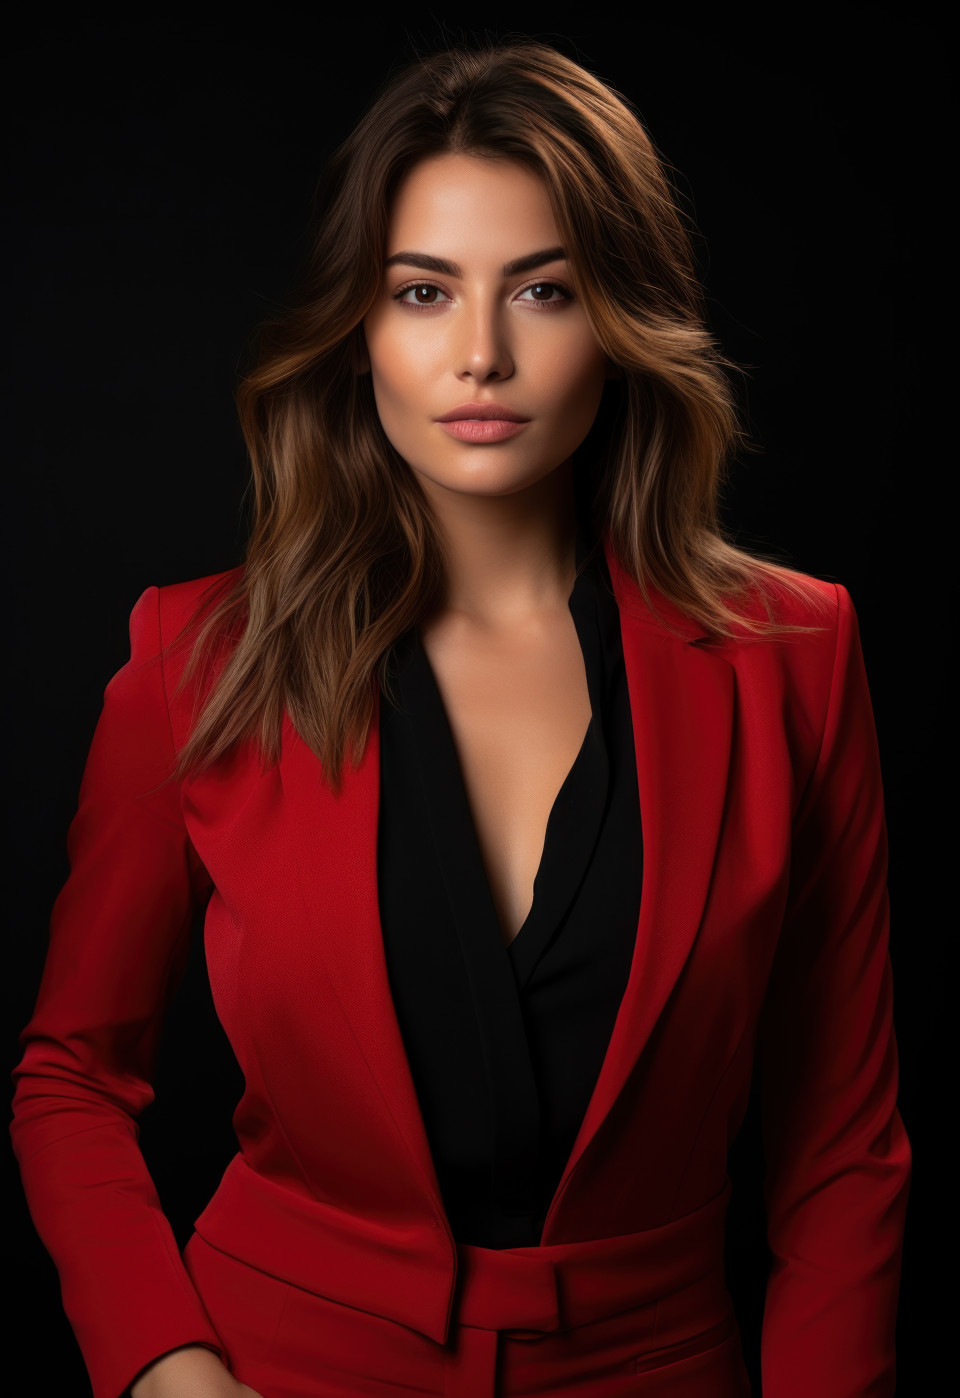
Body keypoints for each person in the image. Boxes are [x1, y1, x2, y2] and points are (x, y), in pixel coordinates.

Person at [10, 36, 911, 1398]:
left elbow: (841, 1147)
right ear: (359, 326)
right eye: (424, 292)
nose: (480, 354)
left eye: (542, 290)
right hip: (276, 1369)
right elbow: (71, 1072)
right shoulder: (197, 656)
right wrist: (168, 1373)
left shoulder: (796, 653)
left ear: (618, 319)